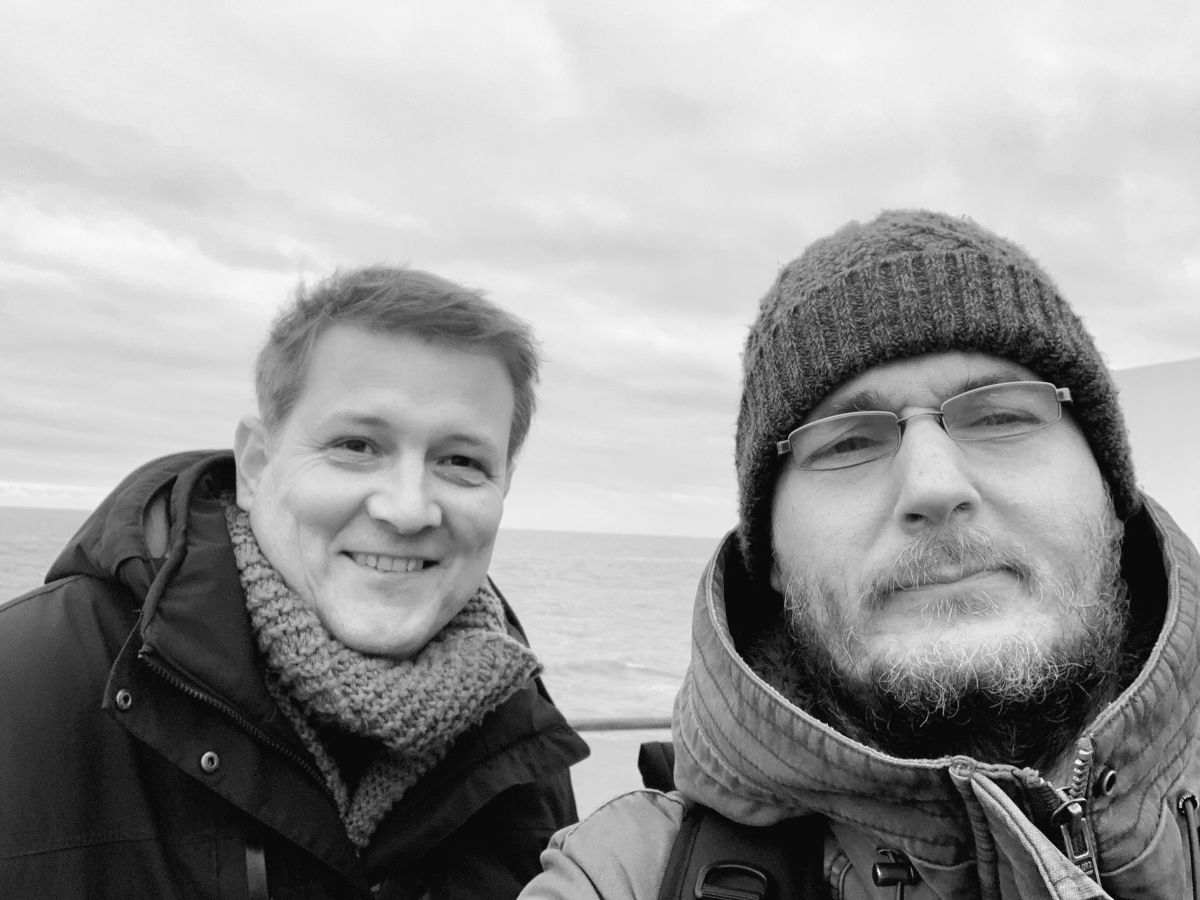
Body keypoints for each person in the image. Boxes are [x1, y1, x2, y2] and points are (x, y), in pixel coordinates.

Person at [520, 210, 1200, 899]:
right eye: (847, 442)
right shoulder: (623, 876)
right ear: (771, 555)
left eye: (1001, 416)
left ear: (1113, 493)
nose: (933, 485)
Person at [0, 267, 588, 898]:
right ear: (256, 465)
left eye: (462, 461)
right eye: (357, 445)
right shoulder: (26, 679)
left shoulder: (515, 724)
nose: (408, 509)